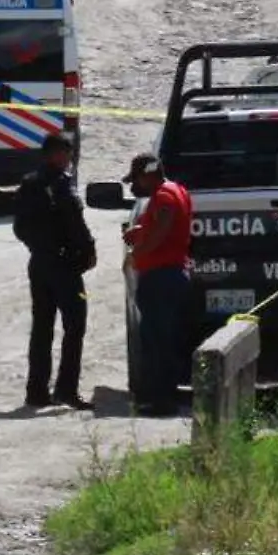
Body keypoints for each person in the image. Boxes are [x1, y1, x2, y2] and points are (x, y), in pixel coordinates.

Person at [13, 133, 97, 410]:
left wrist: (40, 247)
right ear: (54, 154)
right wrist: (85, 251)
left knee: (42, 328)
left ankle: (37, 391)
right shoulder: (59, 184)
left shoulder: (29, 183)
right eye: (66, 153)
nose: (69, 158)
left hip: (41, 263)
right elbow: (75, 224)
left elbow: (20, 228)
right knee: (74, 326)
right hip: (62, 265)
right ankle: (66, 389)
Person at [121, 153, 193, 418]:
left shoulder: (163, 196)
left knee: (157, 340)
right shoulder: (177, 191)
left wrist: (137, 252)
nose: (135, 186)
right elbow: (165, 228)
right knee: (164, 338)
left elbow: (163, 229)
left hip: (160, 277)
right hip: (171, 274)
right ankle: (164, 395)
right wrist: (140, 231)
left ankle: (161, 400)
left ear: (149, 174)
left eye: (137, 178)